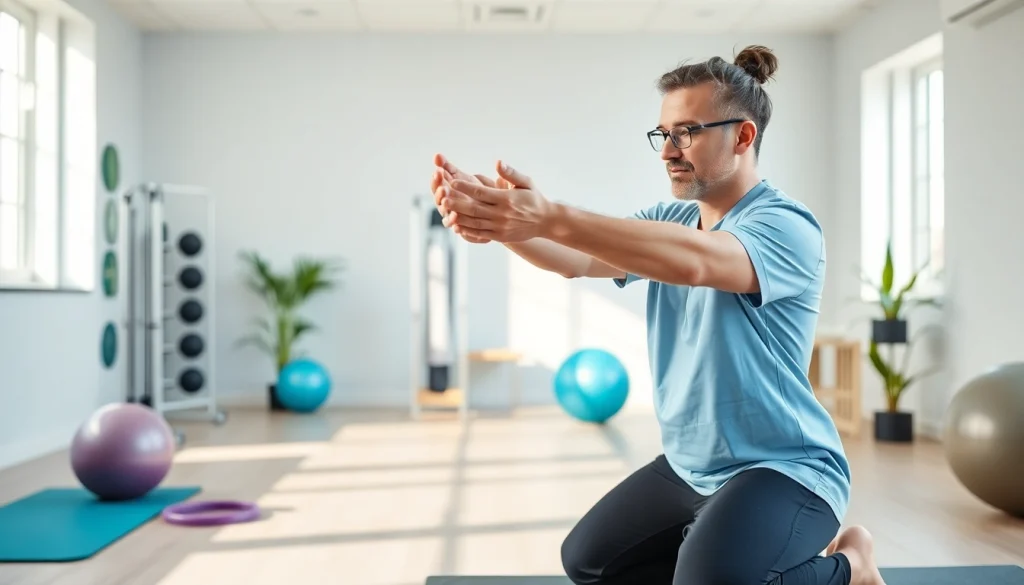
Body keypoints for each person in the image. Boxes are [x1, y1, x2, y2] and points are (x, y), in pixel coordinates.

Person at [428, 45, 884, 585]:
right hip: (693, 466)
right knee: (588, 561)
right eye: (663, 133)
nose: (668, 149)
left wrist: (549, 215)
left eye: (687, 131)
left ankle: (851, 567)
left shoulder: (786, 226)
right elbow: (577, 260)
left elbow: (696, 262)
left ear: (742, 136)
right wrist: (506, 227)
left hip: (785, 468)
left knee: (710, 580)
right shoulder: (669, 217)